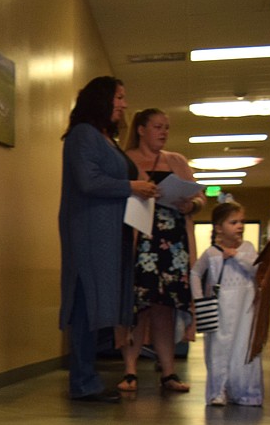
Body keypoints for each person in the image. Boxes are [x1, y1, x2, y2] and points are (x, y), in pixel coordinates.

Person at [59, 76, 159, 402]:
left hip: (111, 232)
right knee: (86, 305)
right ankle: (83, 383)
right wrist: (132, 187)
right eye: (119, 97)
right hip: (90, 233)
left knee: (99, 305)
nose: (124, 104)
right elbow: (88, 182)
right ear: (101, 98)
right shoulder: (83, 135)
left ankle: (88, 380)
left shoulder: (105, 138)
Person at [119, 108, 205, 395]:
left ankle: (168, 373)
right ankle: (130, 371)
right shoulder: (125, 159)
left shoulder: (177, 161)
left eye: (166, 127)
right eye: (157, 126)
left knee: (165, 308)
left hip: (172, 242)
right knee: (137, 304)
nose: (164, 132)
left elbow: (200, 197)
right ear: (141, 129)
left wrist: (191, 205)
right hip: (138, 238)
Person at [190, 202, 262, 406]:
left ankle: (245, 391)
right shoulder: (211, 253)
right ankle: (218, 390)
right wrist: (199, 298)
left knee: (243, 345)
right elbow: (195, 273)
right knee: (219, 346)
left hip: (245, 307)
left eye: (242, 221)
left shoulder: (248, 248)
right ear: (219, 227)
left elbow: (257, 269)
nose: (239, 226)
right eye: (233, 222)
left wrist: (236, 255)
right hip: (219, 308)